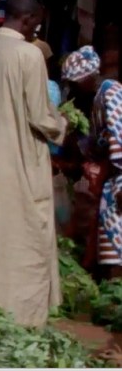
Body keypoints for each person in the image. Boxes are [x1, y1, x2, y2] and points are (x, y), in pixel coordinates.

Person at [0, 0, 66, 327]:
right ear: (28, 18)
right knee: (24, 235)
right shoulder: (29, 55)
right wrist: (62, 124)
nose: (37, 28)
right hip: (21, 161)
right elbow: (41, 115)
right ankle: (22, 315)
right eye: (36, 22)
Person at [62, 47, 122, 274]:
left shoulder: (111, 91)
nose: (74, 89)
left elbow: (118, 135)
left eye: (75, 83)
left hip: (118, 178)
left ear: (86, 78)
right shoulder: (97, 98)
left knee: (117, 246)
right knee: (109, 244)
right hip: (111, 179)